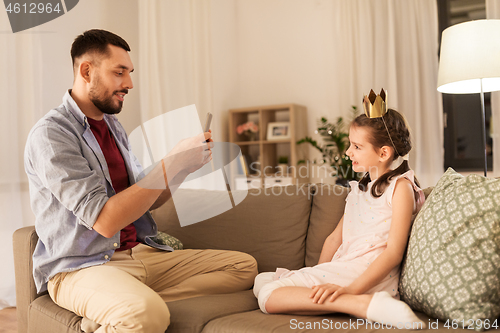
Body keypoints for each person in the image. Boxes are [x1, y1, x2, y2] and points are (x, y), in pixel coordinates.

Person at [24, 29, 257, 333]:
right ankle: (130, 306)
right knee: (147, 316)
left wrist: (182, 168)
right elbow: (105, 221)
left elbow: (147, 199)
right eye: (119, 73)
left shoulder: (113, 126)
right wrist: (170, 161)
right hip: (82, 267)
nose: (129, 84)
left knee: (243, 268)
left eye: (129, 73)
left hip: (141, 253)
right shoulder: (52, 135)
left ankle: (118, 306)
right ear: (86, 71)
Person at [253, 104, 427, 329]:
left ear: (384, 153)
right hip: (345, 267)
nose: (348, 152)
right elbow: (335, 239)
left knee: (268, 294)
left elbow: (394, 252)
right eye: (350, 144)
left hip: (366, 273)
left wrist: (350, 289)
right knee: (261, 280)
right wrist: (315, 275)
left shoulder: (400, 188)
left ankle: (362, 304)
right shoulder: (359, 189)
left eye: (356, 146)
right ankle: (352, 303)